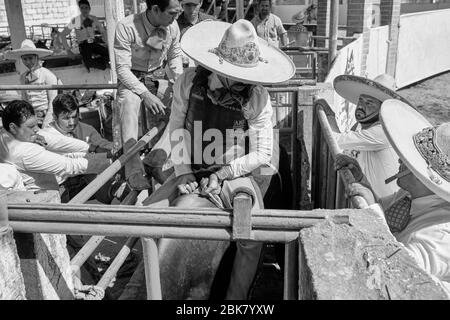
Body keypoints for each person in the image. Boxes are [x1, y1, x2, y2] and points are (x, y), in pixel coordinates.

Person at [119, 19, 295, 300]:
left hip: (235, 174)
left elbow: (262, 153)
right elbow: (176, 127)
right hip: (191, 168)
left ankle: (235, 299)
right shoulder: (188, 83)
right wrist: (184, 171)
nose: (244, 82)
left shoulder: (257, 97)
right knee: (148, 217)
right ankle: (150, 285)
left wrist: (224, 174)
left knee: (252, 234)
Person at [335, 99, 450, 297]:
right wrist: (363, 181)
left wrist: (370, 210)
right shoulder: (409, 195)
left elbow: (394, 270)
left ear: (428, 177)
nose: (399, 158)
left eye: (410, 158)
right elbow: (383, 211)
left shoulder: (440, 234)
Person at [114, 0, 183, 190]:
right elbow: (122, 70)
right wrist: (145, 94)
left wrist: (179, 81)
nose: (176, 17)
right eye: (172, 13)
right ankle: (134, 172)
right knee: (128, 103)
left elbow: (174, 55)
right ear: (154, 9)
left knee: (184, 102)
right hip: (133, 82)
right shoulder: (126, 27)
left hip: (159, 78)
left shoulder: (173, 26)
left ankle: (157, 158)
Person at [326, 74, 413, 199]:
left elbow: (335, 140)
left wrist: (329, 116)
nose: (361, 106)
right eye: (360, 100)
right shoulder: (365, 126)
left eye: (369, 103)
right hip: (377, 198)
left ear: (382, 109)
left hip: (387, 203)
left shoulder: (382, 131)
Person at [0, 100, 111, 192]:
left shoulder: (5, 135)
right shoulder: (24, 152)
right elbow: (69, 166)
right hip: (44, 202)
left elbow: (55, 141)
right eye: (30, 127)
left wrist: (92, 148)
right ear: (13, 128)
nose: (36, 129)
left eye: (36, 125)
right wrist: (111, 161)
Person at [40, 94, 120, 203]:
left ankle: (116, 192)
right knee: (90, 165)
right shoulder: (47, 136)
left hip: (83, 181)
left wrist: (116, 148)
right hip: (61, 186)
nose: (72, 122)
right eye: (66, 118)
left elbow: (102, 144)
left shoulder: (85, 128)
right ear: (54, 117)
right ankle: (114, 193)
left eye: (74, 117)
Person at [5, 40, 60, 128]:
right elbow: (24, 99)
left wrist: (47, 122)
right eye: (25, 59)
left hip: (47, 117)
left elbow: (53, 101)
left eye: (30, 58)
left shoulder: (47, 75)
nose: (28, 62)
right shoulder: (23, 77)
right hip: (31, 117)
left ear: (36, 57)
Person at [61, 0, 109, 71]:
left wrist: (107, 43)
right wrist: (68, 51)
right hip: (84, 45)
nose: (84, 10)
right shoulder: (76, 20)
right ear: (79, 9)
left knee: (109, 54)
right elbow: (63, 34)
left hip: (93, 43)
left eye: (86, 7)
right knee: (88, 61)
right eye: (82, 8)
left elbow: (103, 31)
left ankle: (97, 63)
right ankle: (100, 64)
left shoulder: (94, 18)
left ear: (89, 9)